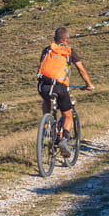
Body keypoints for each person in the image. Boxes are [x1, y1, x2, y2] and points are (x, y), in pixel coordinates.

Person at [37, 27, 94, 156]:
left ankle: (46, 126)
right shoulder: (69, 51)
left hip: (43, 86)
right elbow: (81, 70)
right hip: (59, 87)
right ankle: (64, 140)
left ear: (54, 38)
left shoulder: (47, 49)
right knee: (67, 115)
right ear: (67, 39)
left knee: (46, 99)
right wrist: (88, 84)